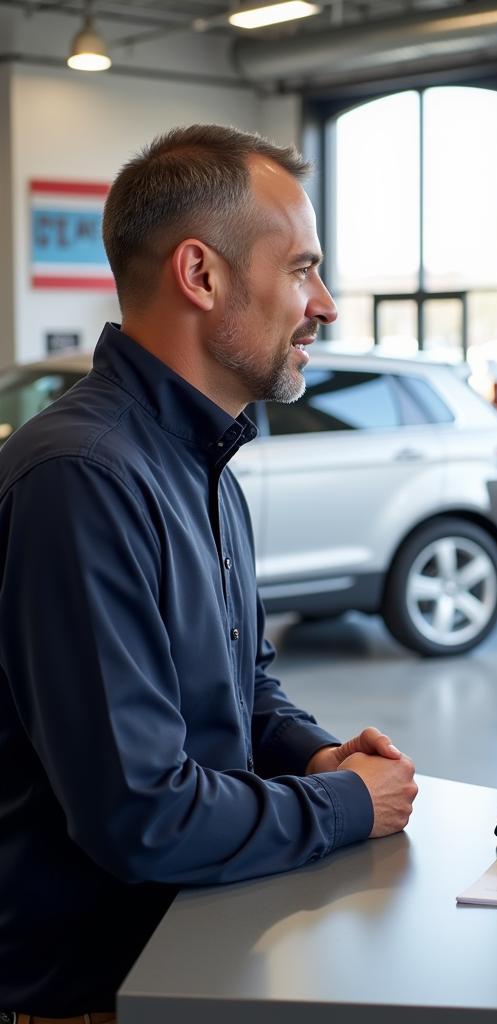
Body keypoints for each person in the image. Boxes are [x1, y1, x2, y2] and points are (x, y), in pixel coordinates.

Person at [0, 125, 418, 1020]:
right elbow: (141, 815)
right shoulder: (84, 481)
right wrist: (346, 804)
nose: (327, 304)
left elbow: (238, 683)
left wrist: (315, 753)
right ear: (202, 275)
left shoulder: (198, 459)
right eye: (302, 268)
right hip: (90, 993)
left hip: (188, 951)